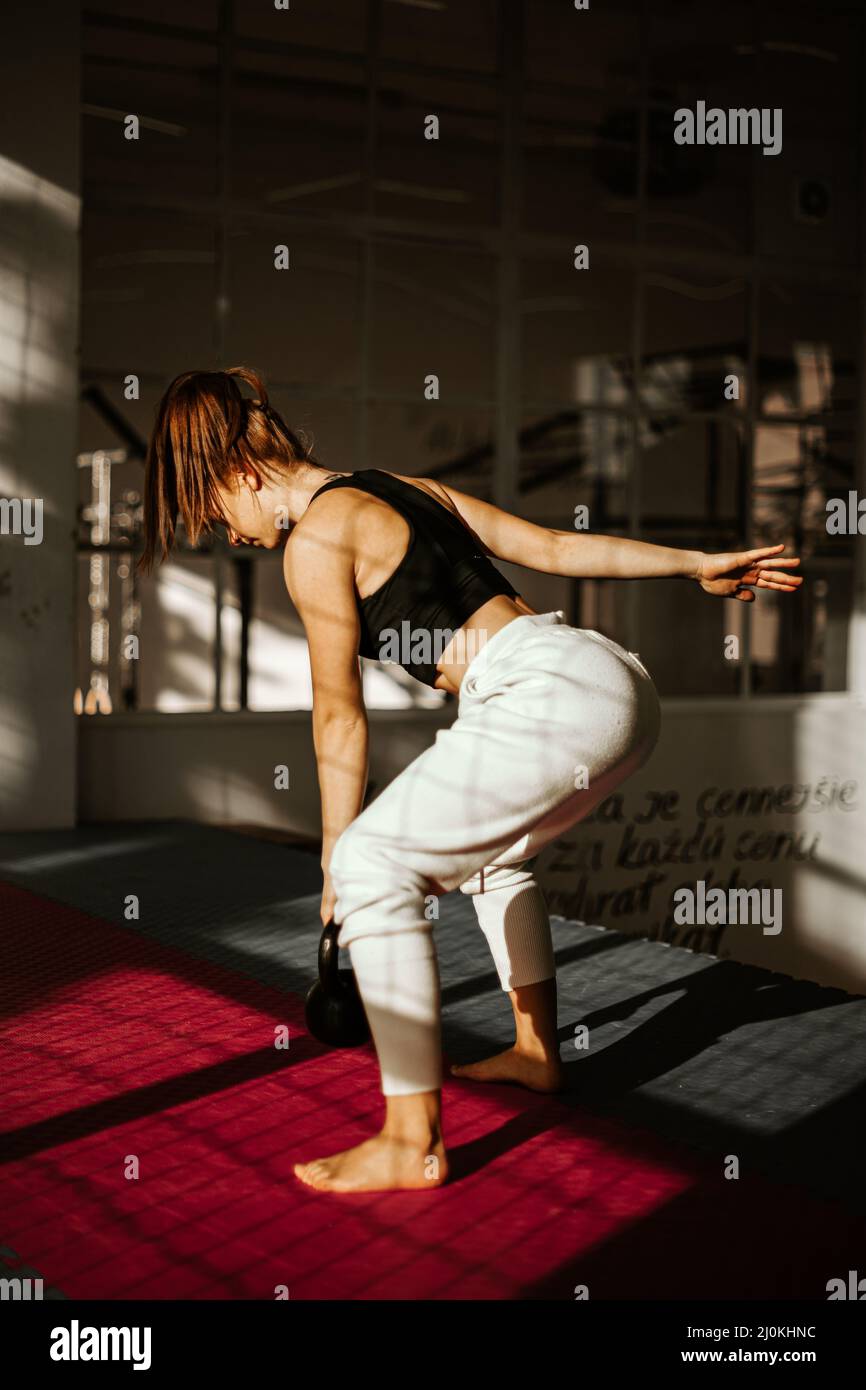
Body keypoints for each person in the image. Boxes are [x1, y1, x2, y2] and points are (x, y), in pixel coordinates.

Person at [141, 366, 803, 1195]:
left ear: (238, 473)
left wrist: (334, 860)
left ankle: (410, 1137)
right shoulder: (399, 486)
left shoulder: (314, 542)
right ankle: (535, 1052)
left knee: (372, 864)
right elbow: (558, 550)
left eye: (215, 512)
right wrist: (694, 564)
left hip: (545, 693)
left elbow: (339, 717)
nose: (227, 533)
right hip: (606, 677)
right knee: (492, 855)